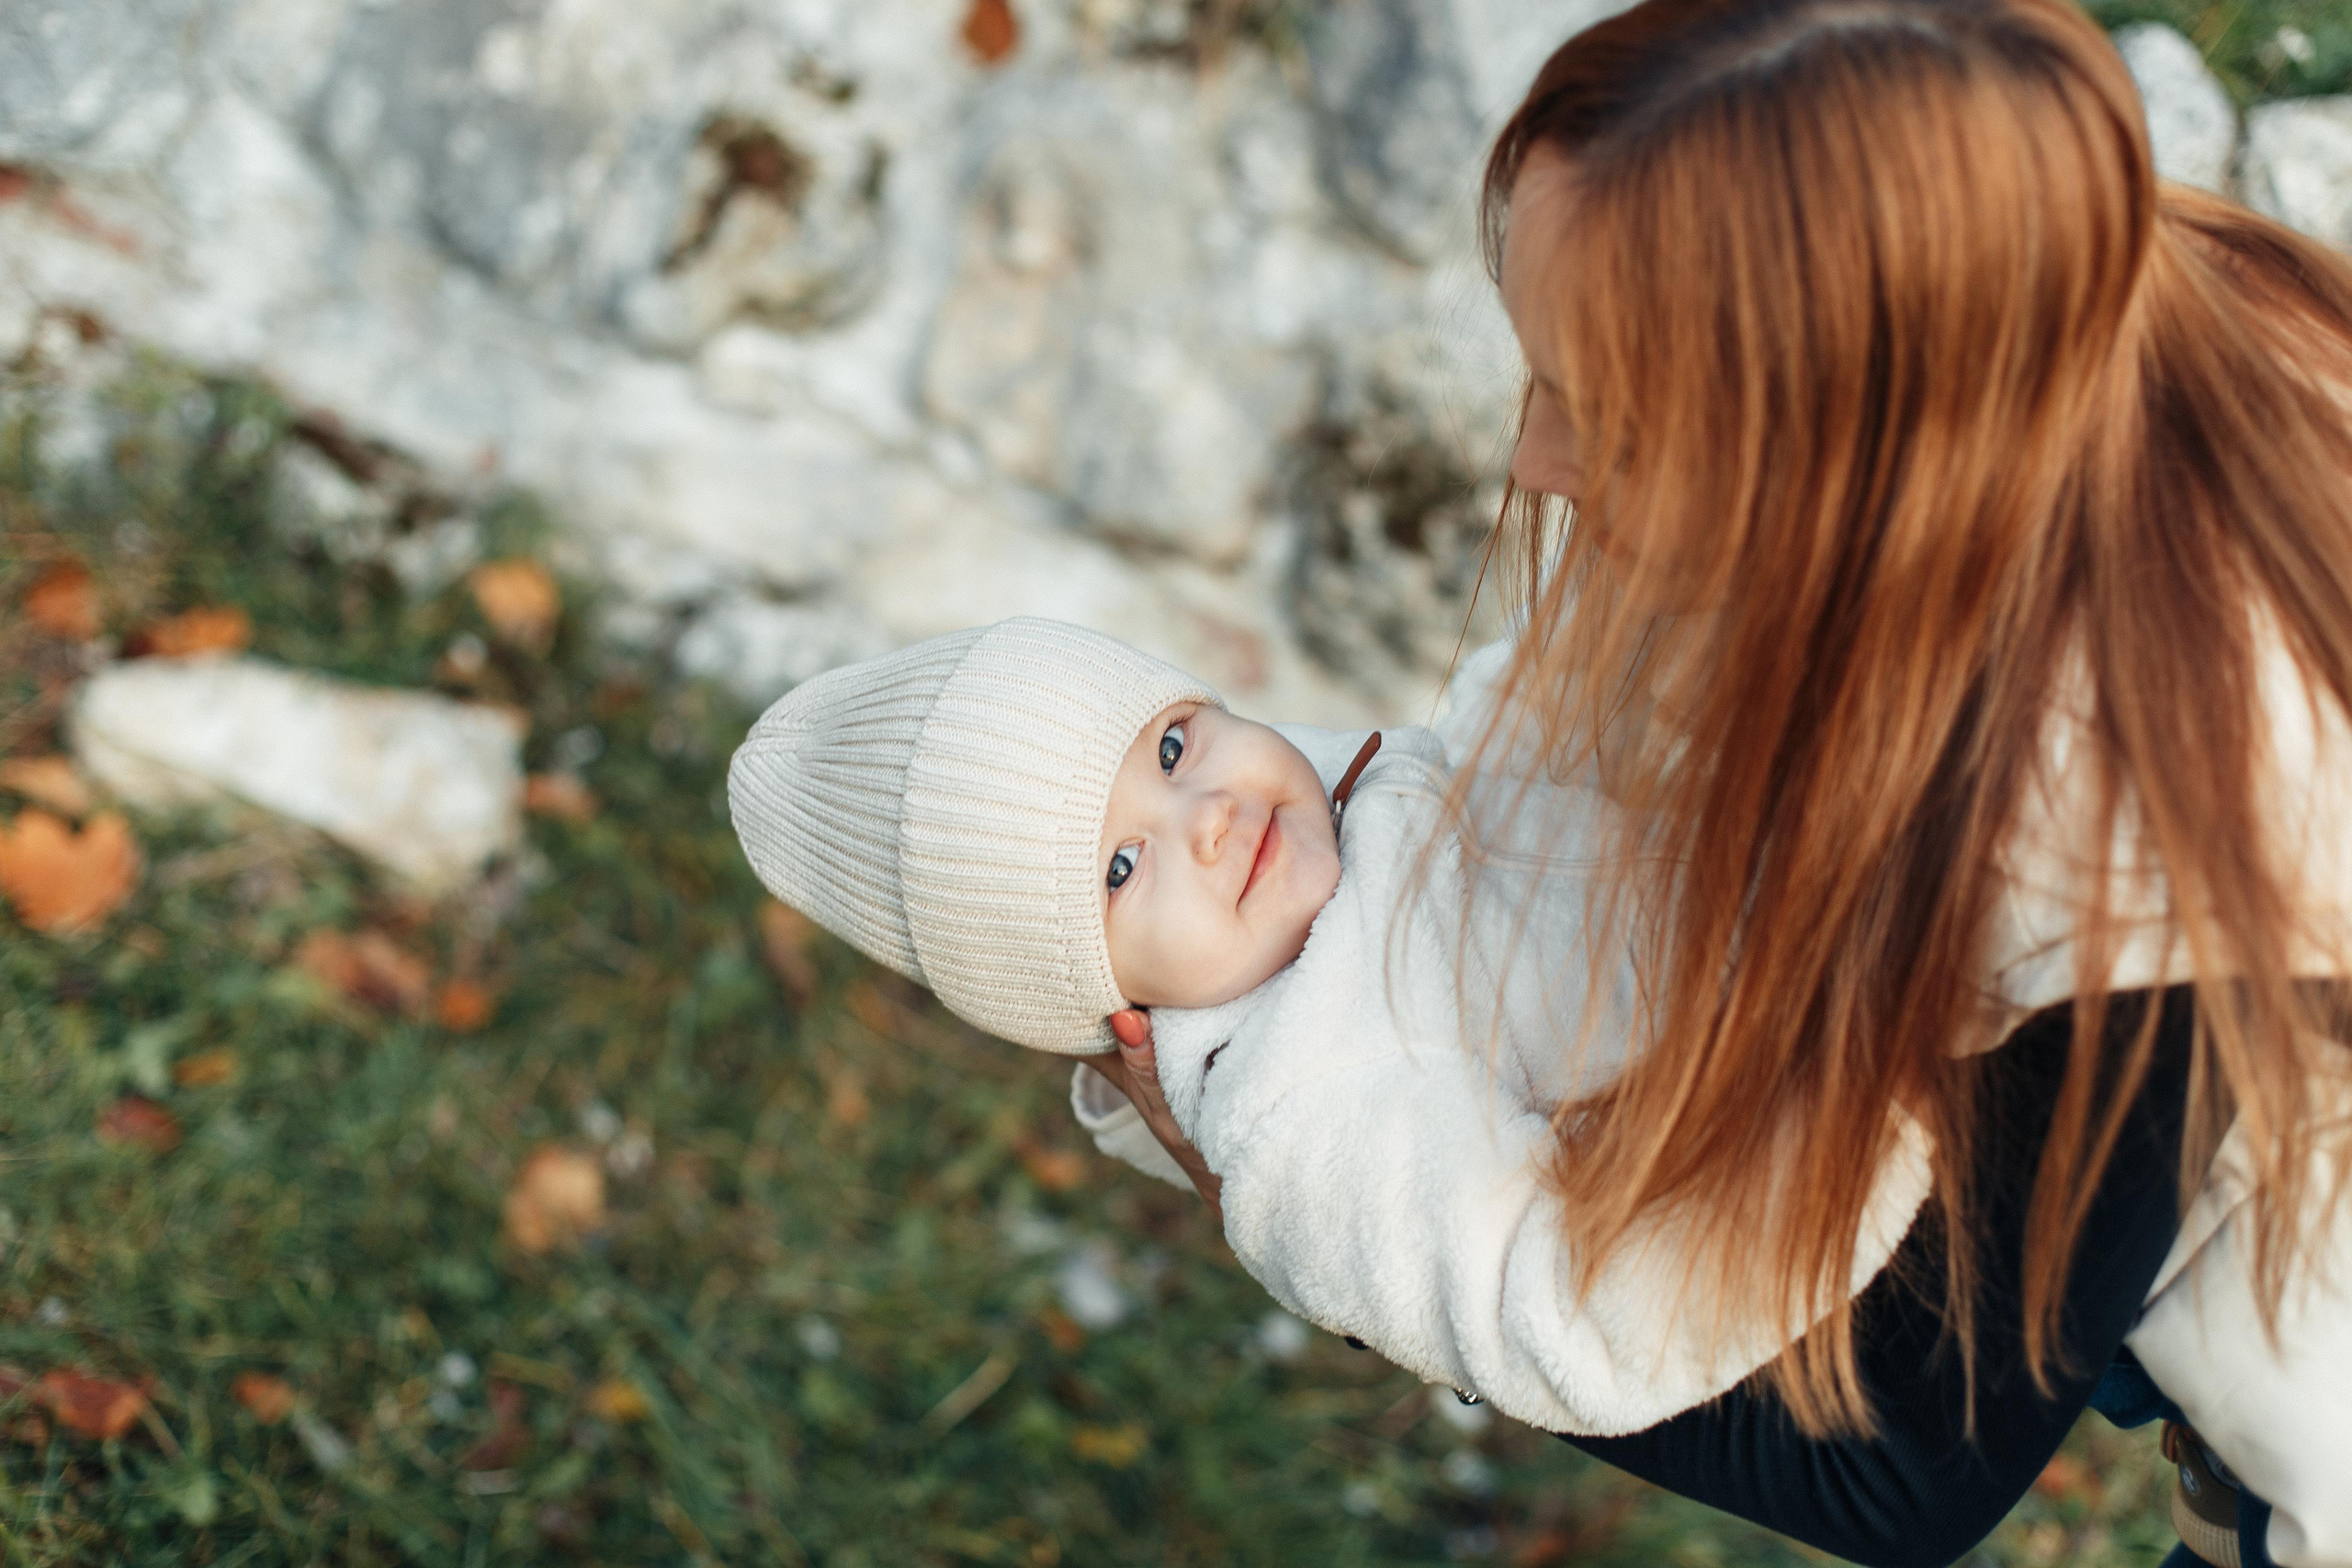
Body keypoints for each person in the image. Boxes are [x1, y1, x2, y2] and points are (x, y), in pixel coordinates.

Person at [1090, 2, 2352, 1565]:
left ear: (1848, 443)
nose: (1537, 461)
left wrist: (1322, 1210)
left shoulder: (2144, 849)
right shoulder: (2083, 295)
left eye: (1603, 414)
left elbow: (1895, 1471)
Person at [725, 615, 1932, 1437]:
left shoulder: (1353, 812)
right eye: (1119, 868)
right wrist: (1879, 1110)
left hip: (1893, 916)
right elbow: (1569, 1320)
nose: (1205, 813)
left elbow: (1557, 742)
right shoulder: (1306, 1115)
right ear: (1105, 1001)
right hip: (1900, 1181)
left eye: (1173, 743)